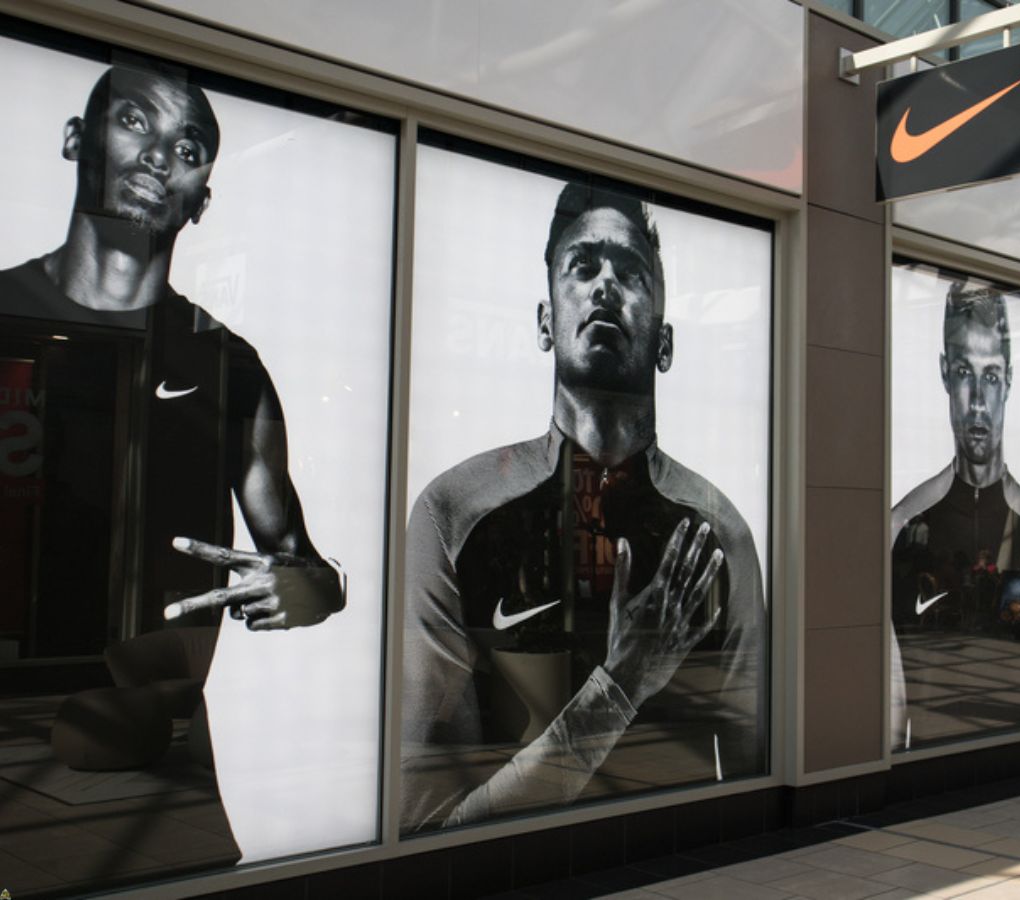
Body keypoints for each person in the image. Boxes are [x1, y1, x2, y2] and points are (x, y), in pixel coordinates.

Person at [399, 180, 766, 831]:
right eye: (583, 266)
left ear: (665, 342)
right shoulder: (452, 512)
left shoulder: (718, 531)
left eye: (630, 272)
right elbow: (428, 821)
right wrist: (622, 683)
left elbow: (750, 780)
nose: (605, 287)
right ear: (546, 322)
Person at [0, 62, 343, 636]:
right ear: (75, 138)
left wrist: (309, 588)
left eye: (188, 150)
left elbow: (300, 561)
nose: (159, 158)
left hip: (160, 713)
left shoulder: (228, 365)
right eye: (135, 121)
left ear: (200, 202)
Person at [890, 281, 1020, 749]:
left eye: (990, 376)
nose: (978, 401)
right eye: (966, 372)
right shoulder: (902, 524)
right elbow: (892, 710)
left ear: (1009, 381)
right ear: (945, 374)